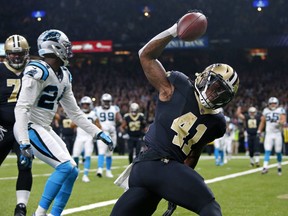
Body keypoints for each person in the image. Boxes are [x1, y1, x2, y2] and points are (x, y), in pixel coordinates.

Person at [111, 11, 239, 216]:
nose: (214, 93)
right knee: (209, 206)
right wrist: (175, 29)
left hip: (144, 171)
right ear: (204, 78)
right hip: (159, 165)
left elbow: (192, 155)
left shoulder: (217, 122)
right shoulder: (177, 86)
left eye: (221, 92)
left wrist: (176, 188)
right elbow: (145, 54)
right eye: (214, 86)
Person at [13, 29, 113, 216]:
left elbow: (74, 112)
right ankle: (39, 214)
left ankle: (54, 214)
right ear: (54, 47)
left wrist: (97, 132)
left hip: (43, 127)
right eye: (65, 46)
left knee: (72, 171)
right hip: (29, 127)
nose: (68, 50)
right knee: (65, 166)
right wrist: (23, 142)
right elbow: (21, 107)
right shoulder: (37, 70)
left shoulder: (64, 75)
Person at [0, 34, 32, 216]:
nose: (17, 57)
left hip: (25, 129)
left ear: (27, 53)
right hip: (3, 127)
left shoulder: (33, 70)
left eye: (20, 53)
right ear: (7, 53)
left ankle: (21, 206)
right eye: (13, 54)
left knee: (25, 164)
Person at [72, 96, 101, 182]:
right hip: (79, 137)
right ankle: (76, 173)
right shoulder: (79, 113)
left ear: (90, 105)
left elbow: (99, 126)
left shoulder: (93, 114)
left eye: (87, 104)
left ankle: (85, 175)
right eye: (84, 104)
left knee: (87, 156)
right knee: (75, 156)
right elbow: (72, 125)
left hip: (89, 138)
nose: (85, 106)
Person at [94, 93, 122, 178]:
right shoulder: (97, 109)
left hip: (111, 132)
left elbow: (119, 119)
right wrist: (99, 127)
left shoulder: (115, 108)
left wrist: (119, 120)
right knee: (101, 151)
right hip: (102, 132)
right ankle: (100, 169)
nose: (106, 103)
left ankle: (108, 171)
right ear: (102, 101)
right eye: (105, 101)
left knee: (110, 152)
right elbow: (95, 120)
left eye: (108, 101)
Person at [257, 97, 286, 175]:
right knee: (267, 150)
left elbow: (283, 120)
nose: (273, 105)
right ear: (269, 104)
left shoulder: (280, 110)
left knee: (278, 151)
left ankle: (279, 166)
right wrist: (259, 130)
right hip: (269, 134)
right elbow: (262, 122)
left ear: (277, 104)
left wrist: (279, 122)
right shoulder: (265, 111)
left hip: (277, 134)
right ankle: (265, 167)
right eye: (271, 103)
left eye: (274, 103)